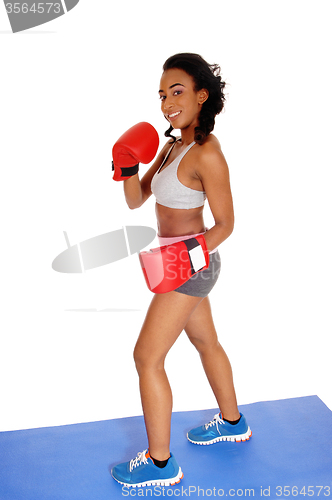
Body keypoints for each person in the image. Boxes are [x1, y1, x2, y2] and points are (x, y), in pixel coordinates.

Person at [111, 53, 251, 488]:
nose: (167, 102)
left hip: (190, 266)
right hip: (180, 262)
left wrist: (185, 257)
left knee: (146, 357)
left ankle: (159, 464)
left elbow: (226, 225)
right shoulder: (173, 145)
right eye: (162, 94)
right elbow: (137, 200)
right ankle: (232, 422)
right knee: (206, 341)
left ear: (201, 95)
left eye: (177, 92)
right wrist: (126, 165)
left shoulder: (208, 153)